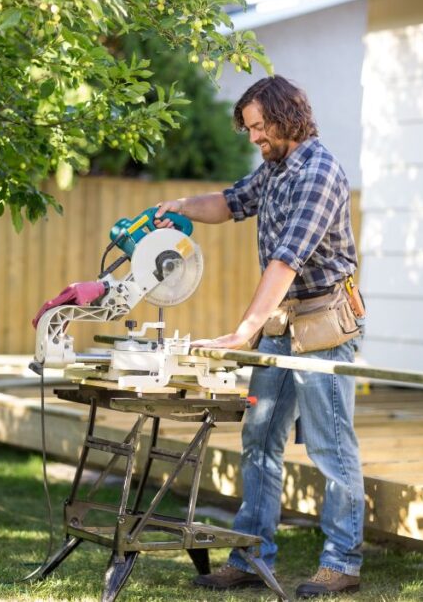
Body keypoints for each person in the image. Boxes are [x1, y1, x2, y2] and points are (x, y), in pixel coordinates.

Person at [154, 75, 364, 598]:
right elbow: (228, 203)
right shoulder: (273, 170)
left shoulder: (319, 172)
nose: (253, 137)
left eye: (259, 127)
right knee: (260, 439)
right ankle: (250, 555)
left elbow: (286, 261)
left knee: (330, 447)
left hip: (323, 326)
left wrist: (244, 329)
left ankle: (342, 562)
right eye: (248, 128)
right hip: (282, 323)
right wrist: (179, 206)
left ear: (286, 115)